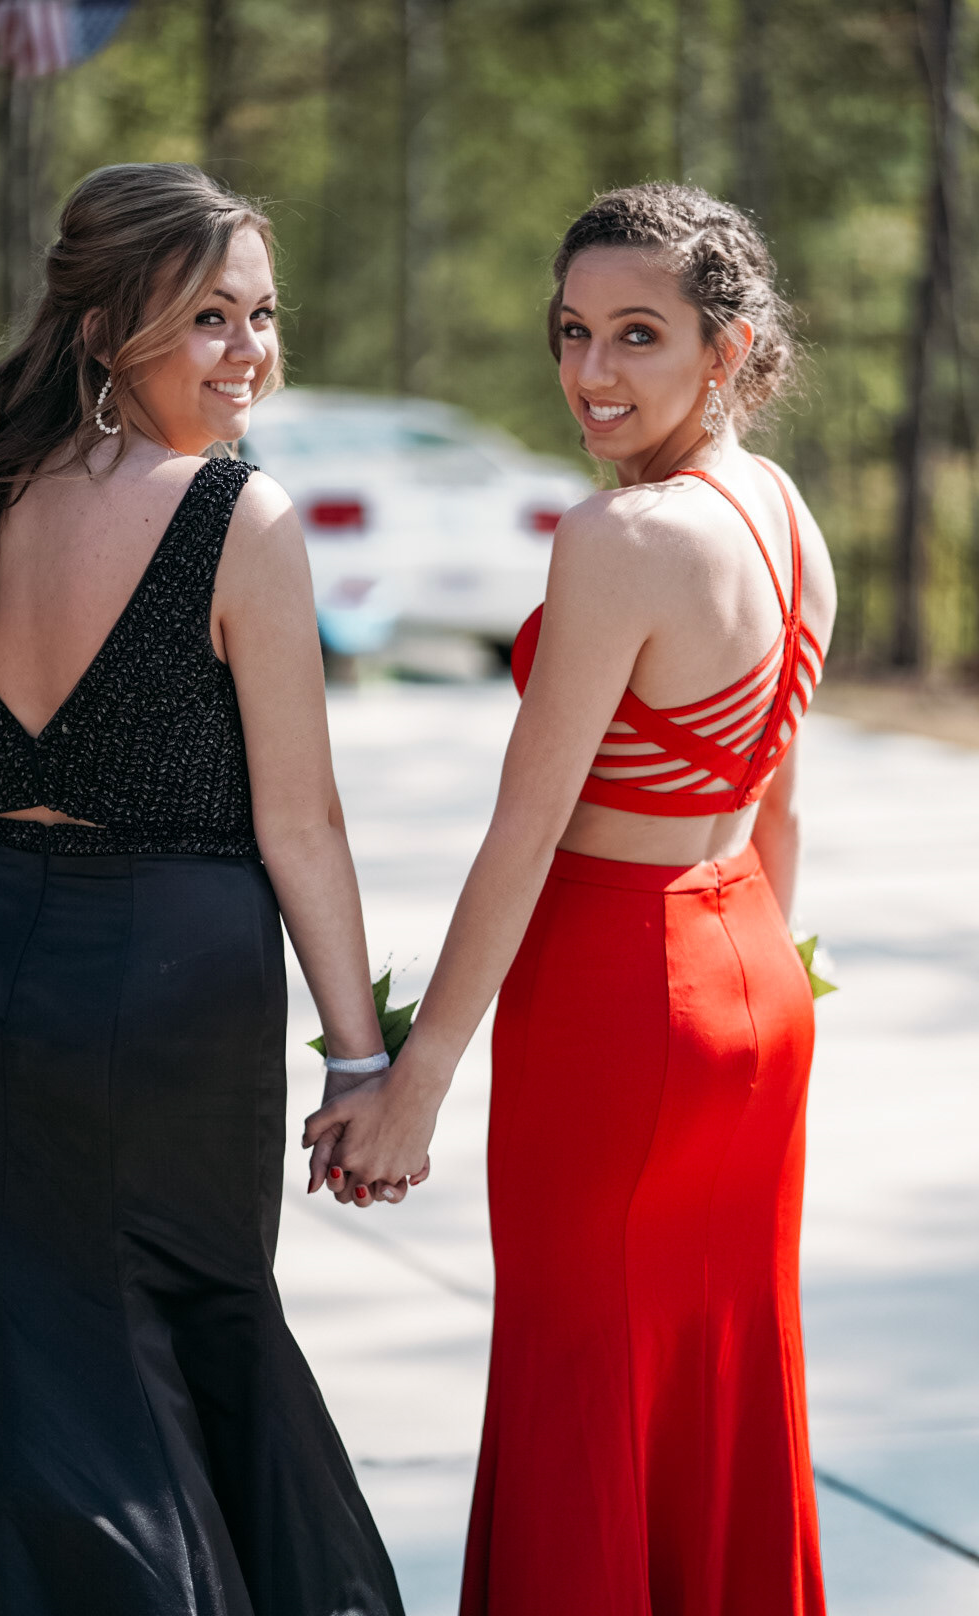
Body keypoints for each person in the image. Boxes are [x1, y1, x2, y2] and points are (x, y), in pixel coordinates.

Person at [305, 182, 837, 1615]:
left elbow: (526, 831)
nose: (592, 372)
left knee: (581, 1385)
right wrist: (756, 999)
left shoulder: (626, 537)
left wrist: (414, 1082)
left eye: (639, 335)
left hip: (621, 998)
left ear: (728, 350)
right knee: (721, 1375)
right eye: (573, 331)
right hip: (754, 985)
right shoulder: (785, 515)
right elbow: (780, 807)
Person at [0, 162, 407, 1616]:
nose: (249, 351)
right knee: (182, 1342)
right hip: (173, 997)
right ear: (106, 329)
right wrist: (361, 1060)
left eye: (262, 314)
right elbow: (303, 822)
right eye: (207, 318)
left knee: (12, 1362)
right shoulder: (240, 517)